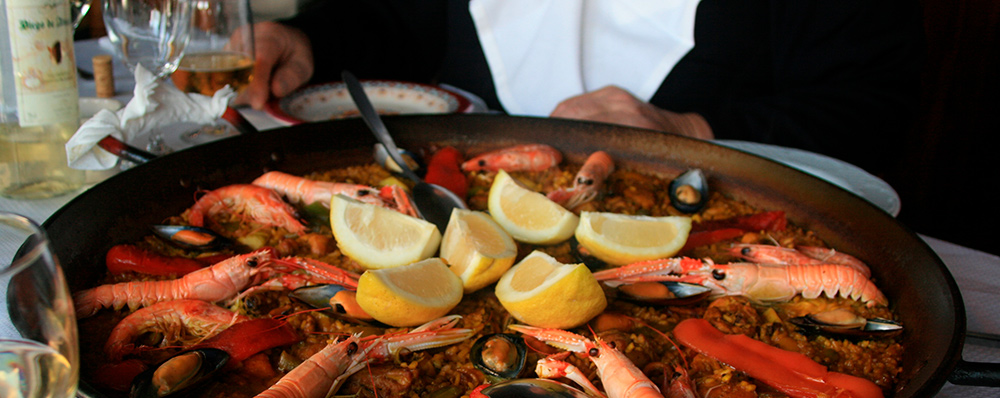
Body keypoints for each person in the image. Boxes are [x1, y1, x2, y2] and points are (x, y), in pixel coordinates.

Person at [241, 0, 922, 174]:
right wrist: (312, 39)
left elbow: (874, 106)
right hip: (447, 196)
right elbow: (395, 19)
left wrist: (689, 132)